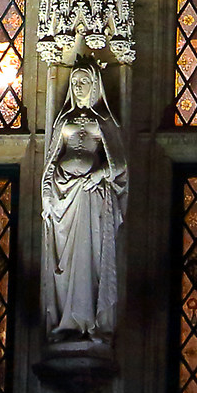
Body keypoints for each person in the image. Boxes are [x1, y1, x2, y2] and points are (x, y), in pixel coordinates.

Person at [43, 65, 127, 341]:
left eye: (85, 81)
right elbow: (52, 158)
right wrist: (48, 192)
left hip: (91, 197)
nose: (79, 86)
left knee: (90, 257)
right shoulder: (63, 120)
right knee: (64, 262)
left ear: (95, 85)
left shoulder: (103, 120)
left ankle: (90, 320)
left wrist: (99, 174)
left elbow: (120, 164)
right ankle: (65, 321)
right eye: (76, 81)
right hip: (63, 196)